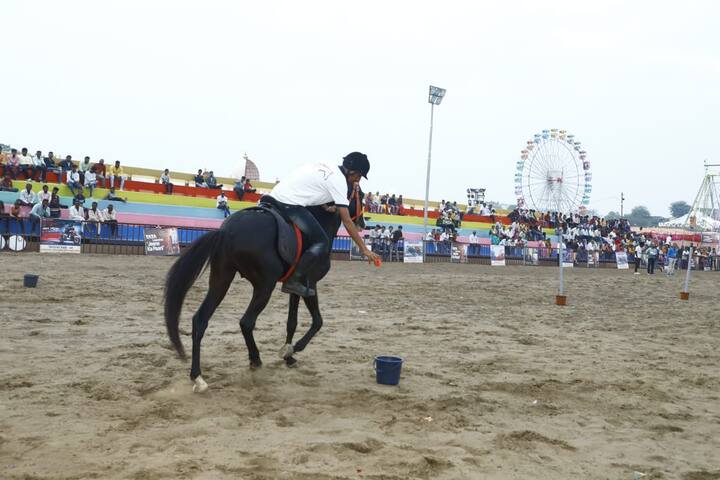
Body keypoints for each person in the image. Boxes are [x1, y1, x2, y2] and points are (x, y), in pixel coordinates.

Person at [264, 151, 380, 297]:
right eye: (359, 176)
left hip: (272, 197)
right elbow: (347, 221)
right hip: (289, 204)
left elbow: (315, 189)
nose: (358, 180)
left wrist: (328, 206)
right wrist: (364, 249)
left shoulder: (326, 165)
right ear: (352, 172)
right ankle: (294, 280)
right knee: (322, 241)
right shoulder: (339, 182)